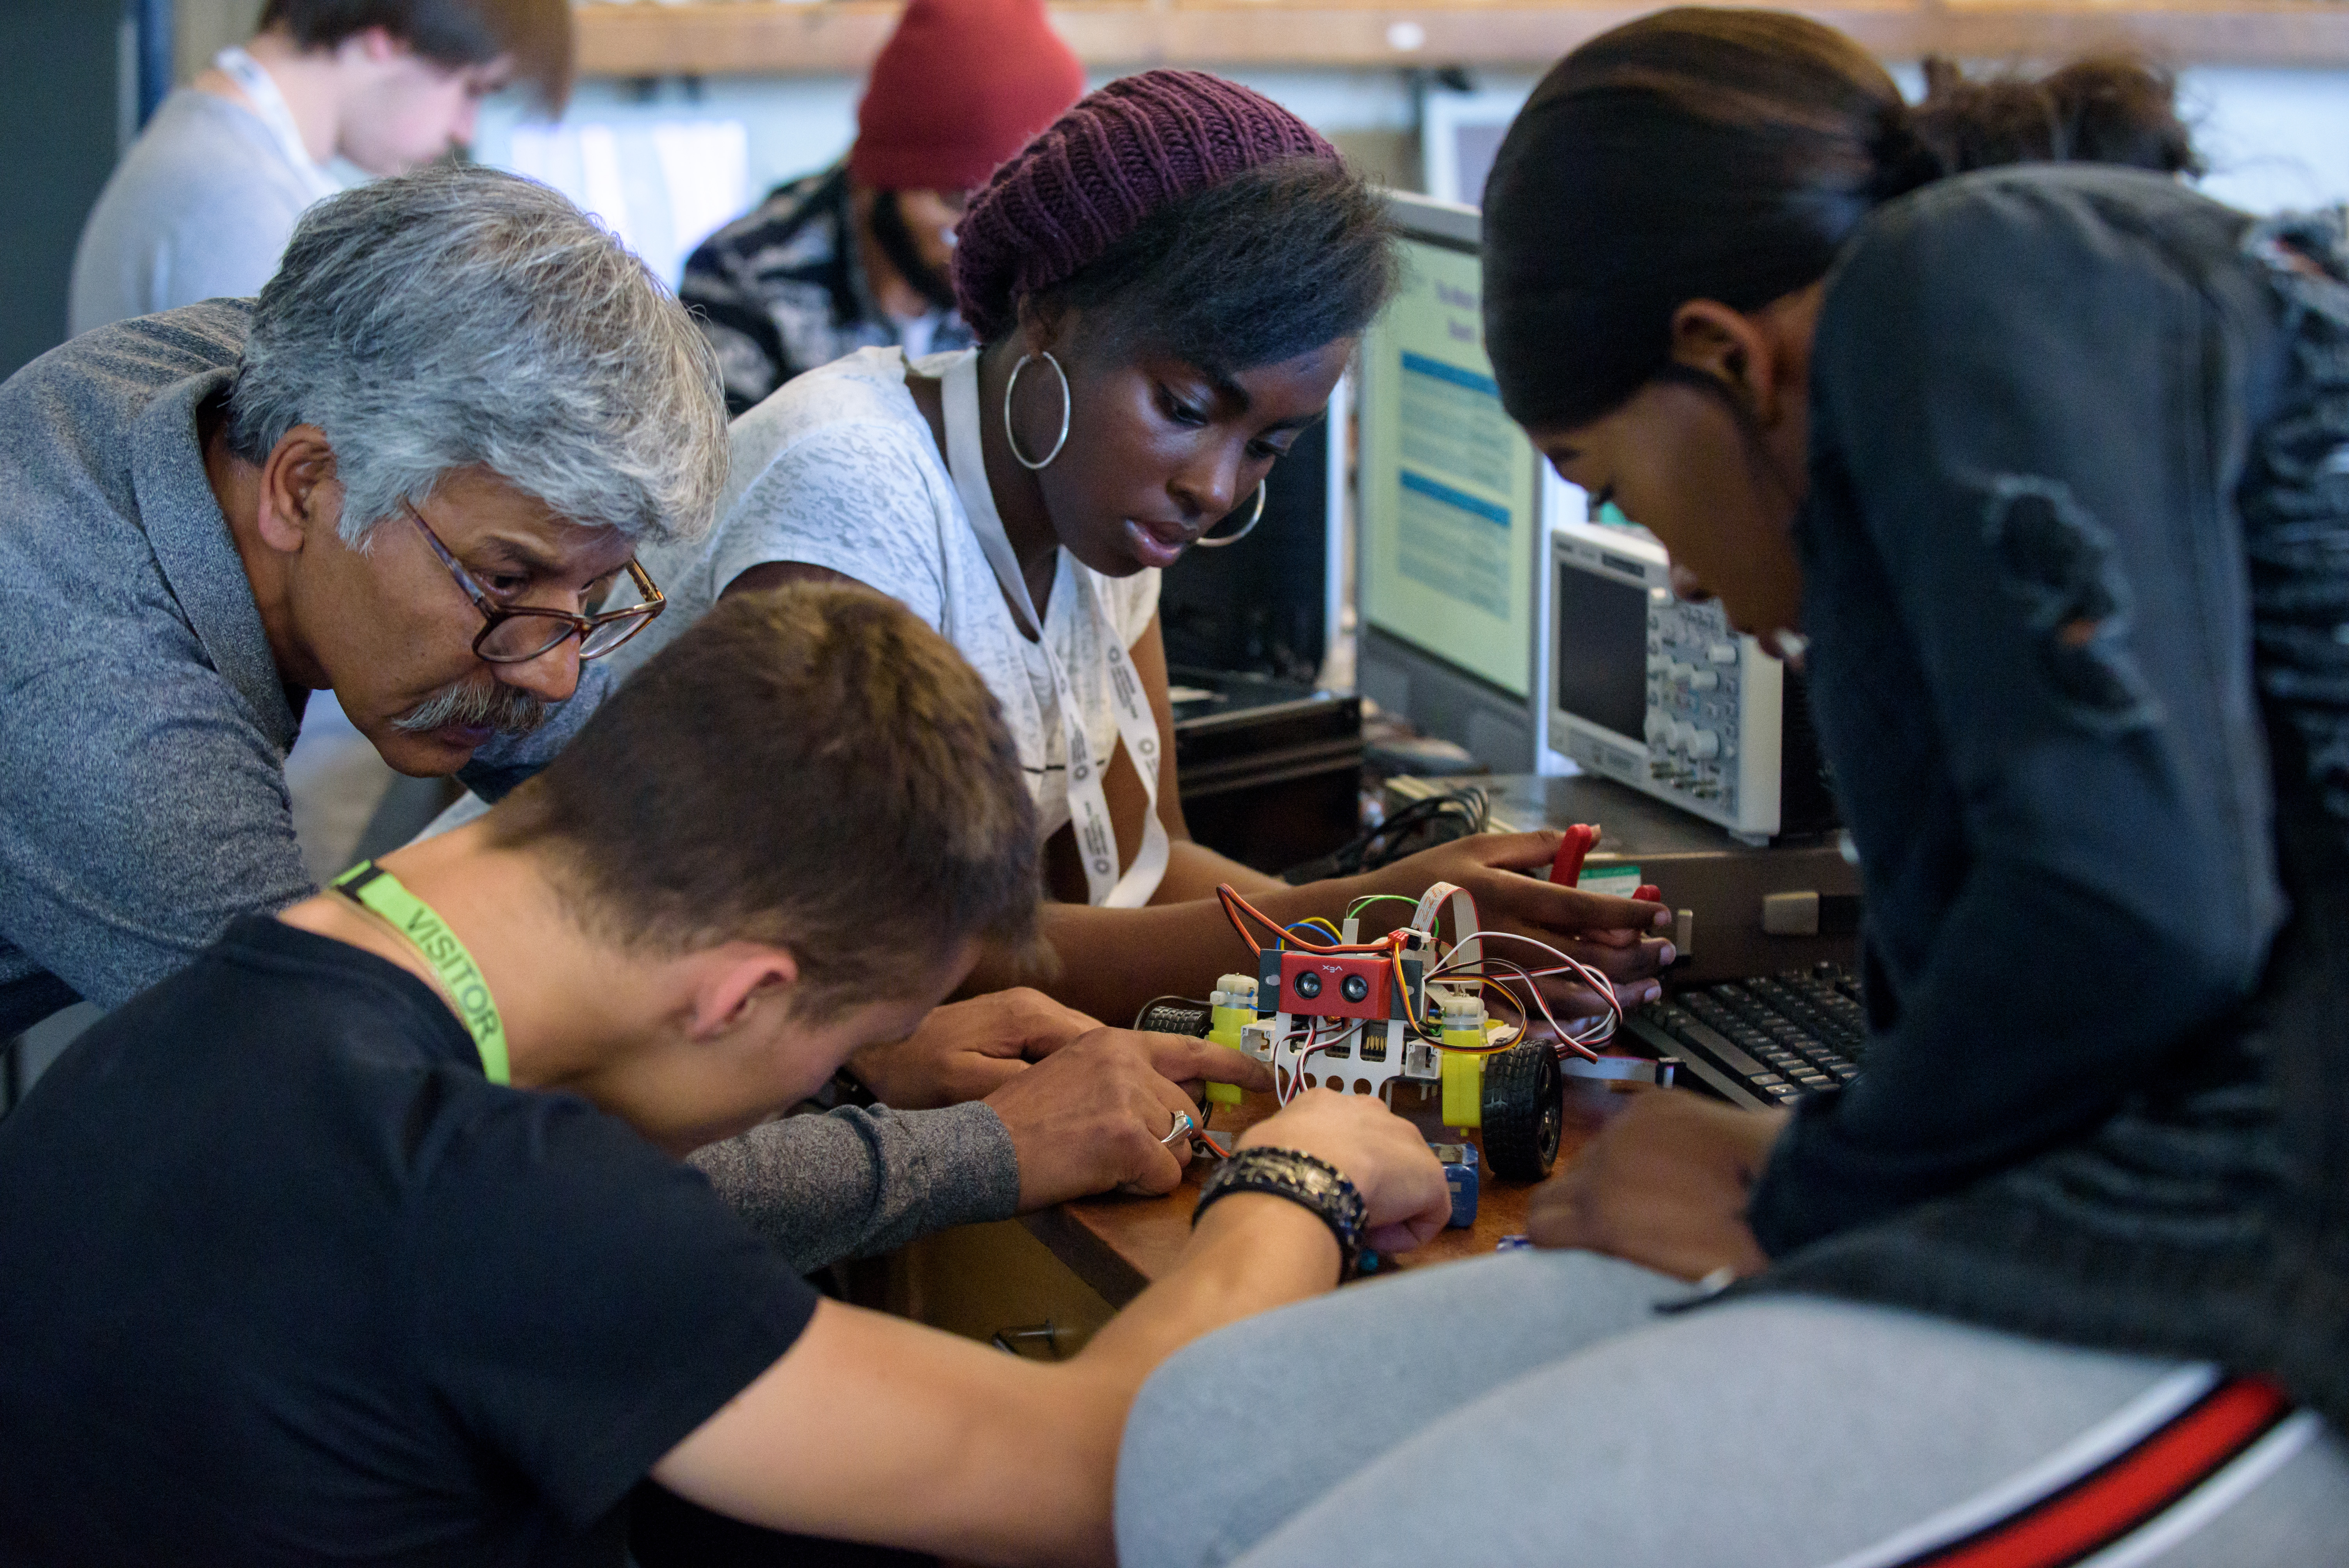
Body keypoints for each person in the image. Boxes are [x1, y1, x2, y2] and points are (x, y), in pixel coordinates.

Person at [1112, 15, 2349, 1564]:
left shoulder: (1950, 278)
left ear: (1724, 356)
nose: (1677, 574)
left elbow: (2137, 917)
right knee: (1208, 1441)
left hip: (2268, 1262)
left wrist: (1798, 1191)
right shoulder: (1958, 441)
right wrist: (1808, 1158)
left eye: (1611, 485)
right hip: (2084, 1201)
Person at [0, 582, 1452, 1566]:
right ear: (744, 991)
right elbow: (1093, 1474)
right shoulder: (495, 1195)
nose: (829, 1075)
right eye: (840, 1041)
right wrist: (1301, 1170)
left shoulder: (171, 1032)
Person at [4, 162, 1232, 1274]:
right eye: (507, 582)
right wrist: (985, 1150)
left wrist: (838, 1029)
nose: (551, 679)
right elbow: (421, 1162)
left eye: (591, 599)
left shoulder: (286, 370)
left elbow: (621, 780)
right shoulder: (113, 727)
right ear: (304, 486)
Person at [619, 70, 1678, 1028]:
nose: (1214, 488)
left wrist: (1417, 957)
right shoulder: (855, 490)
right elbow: (891, 950)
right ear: (1049, 311)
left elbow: (1140, 872)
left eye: (1266, 446)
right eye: (1183, 407)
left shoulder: (1096, 516)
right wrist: (1380, 917)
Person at [69, 0, 571, 337]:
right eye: (471, 89)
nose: (464, 130)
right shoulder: (238, 203)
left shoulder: (215, 149)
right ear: (389, 39)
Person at [681, 0, 1085, 416]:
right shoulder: (742, 275)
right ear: (874, 183)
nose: (984, 236)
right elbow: (714, 454)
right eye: (955, 201)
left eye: (1014, 212)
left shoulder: (1043, 282)